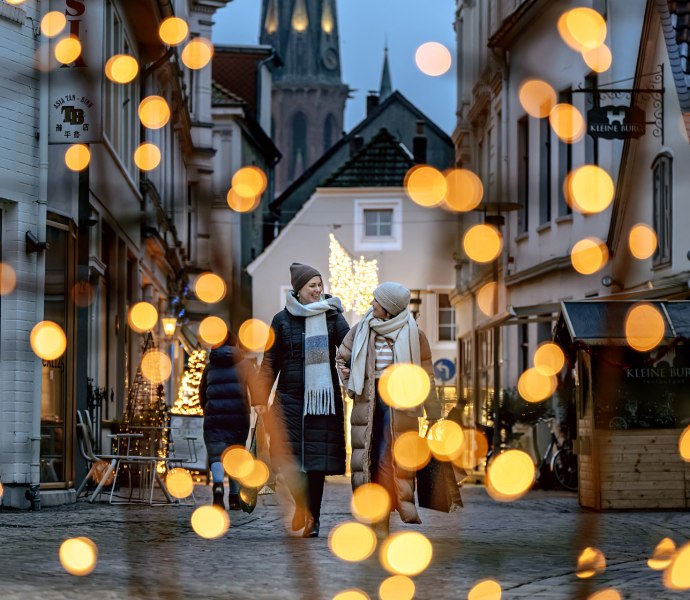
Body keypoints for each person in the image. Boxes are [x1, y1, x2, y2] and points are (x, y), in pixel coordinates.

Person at [336, 282, 441, 536]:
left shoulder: (414, 334)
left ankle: (382, 518)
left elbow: (426, 374)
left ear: (389, 308)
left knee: (387, 459)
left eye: (376, 301)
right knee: (368, 458)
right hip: (368, 401)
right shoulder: (362, 329)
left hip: (400, 402)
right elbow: (342, 358)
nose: (371, 304)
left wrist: (434, 410)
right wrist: (349, 378)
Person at [255, 263, 350, 537]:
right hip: (289, 400)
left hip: (322, 401)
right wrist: (261, 397)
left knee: (316, 465)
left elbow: (349, 347)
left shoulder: (332, 316)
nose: (318, 290)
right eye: (312, 286)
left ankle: (314, 518)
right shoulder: (281, 320)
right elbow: (270, 361)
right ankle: (301, 507)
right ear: (299, 289)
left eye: (320, 285)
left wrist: (350, 366)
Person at [199, 330, 258, 511]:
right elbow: (255, 388)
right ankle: (234, 497)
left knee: (217, 454)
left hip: (214, 416)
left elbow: (202, 393)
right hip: (238, 417)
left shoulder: (210, 367)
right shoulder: (245, 365)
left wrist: (207, 409)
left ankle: (218, 488)